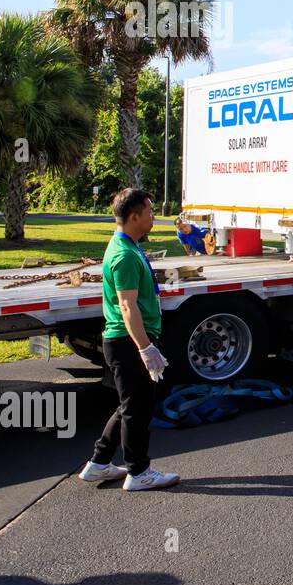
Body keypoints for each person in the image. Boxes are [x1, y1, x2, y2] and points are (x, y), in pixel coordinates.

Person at [78, 188, 180, 491]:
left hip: (126, 340)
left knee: (129, 404)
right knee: (138, 409)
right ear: (134, 216)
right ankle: (139, 472)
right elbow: (127, 306)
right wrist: (146, 347)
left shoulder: (126, 245)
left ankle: (98, 464)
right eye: (150, 212)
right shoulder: (123, 254)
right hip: (128, 341)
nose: (154, 217)